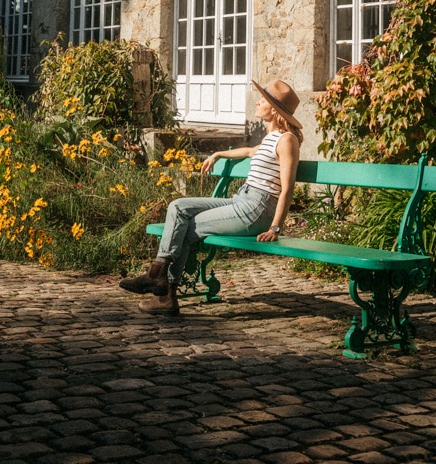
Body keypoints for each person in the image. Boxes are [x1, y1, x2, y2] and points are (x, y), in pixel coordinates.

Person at [119, 78, 303, 315]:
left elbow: (287, 187)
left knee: (182, 226)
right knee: (178, 207)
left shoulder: (287, 140)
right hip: (242, 201)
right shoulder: (270, 138)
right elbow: (247, 151)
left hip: (257, 209)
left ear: (275, 110)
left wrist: (276, 227)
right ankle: (159, 279)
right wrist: (218, 154)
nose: (257, 101)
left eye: (263, 100)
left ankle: (162, 290)